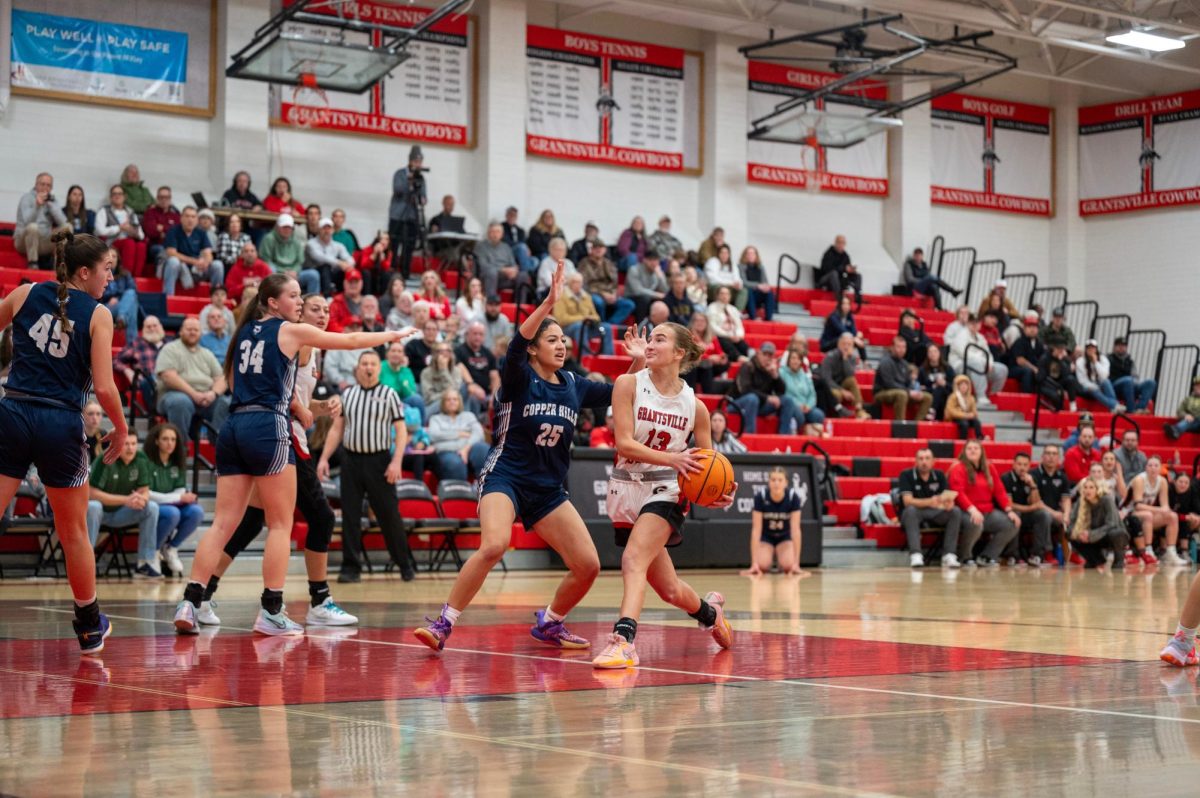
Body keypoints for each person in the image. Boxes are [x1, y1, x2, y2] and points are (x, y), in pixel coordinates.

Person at [414, 262, 645, 653]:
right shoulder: (519, 376)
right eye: (551, 340)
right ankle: (443, 623)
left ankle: (551, 622)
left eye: (562, 340)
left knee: (588, 564)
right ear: (534, 349)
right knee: (494, 544)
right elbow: (517, 343)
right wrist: (549, 302)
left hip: (547, 489)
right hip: (506, 476)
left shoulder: (573, 384)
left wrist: (637, 360)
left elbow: (622, 393)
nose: (561, 345)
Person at [174, 273, 411, 636]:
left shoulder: (242, 332)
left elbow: (235, 383)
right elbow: (349, 340)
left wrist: (301, 406)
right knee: (281, 525)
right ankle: (272, 609)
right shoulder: (290, 332)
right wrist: (391, 336)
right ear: (273, 301)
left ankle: (191, 602)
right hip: (268, 428)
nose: (299, 304)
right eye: (295, 297)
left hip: (234, 425)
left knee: (223, 523)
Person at [0, 232, 126, 652]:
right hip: (60, 421)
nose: (111, 277)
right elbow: (105, 389)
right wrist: (122, 428)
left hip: (14, 412)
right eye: (107, 269)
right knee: (73, 530)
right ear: (84, 272)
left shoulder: (25, 292)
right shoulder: (99, 314)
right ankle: (89, 626)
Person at [592, 321, 735, 668]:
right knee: (669, 589)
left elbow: (707, 463)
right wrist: (673, 456)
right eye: (650, 338)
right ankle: (709, 612)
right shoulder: (627, 384)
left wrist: (722, 490)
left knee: (633, 560)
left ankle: (623, 641)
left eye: (660, 339)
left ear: (679, 353)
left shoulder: (695, 406)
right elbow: (623, 442)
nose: (651, 344)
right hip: (625, 487)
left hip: (665, 488)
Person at [209, 293, 356, 625]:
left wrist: (322, 406)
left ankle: (203, 592)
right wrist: (297, 406)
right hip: (279, 435)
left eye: (327, 310)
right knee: (321, 517)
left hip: (274, 431)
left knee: (250, 521)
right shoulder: (296, 339)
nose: (322, 314)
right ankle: (319, 600)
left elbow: (298, 399)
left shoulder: (310, 347)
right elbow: (273, 389)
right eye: (314, 308)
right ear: (299, 310)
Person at [86, 430, 160, 576]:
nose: (130, 448)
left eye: (133, 444)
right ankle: (86, 560)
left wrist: (142, 499)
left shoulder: (141, 458)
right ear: (116, 444)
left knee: (152, 507)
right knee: (94, 506)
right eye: (126, 444)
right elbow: (92, 494)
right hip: (99, 514)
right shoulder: (105, 459)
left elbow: (144, 490)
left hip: (122, 513)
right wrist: (126, 500)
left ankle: (144, 563)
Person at [155, 316, 231, 445]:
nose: (192, 332)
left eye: (196, 330)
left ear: (201, 333)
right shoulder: (170, 349)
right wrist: (193, 394)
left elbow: (222, 378)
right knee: (181, 402)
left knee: (225, 403)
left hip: (206, 397)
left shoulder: (207, 353)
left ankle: (219, 446)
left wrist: (213, 394)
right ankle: (181, 449)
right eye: (189, 329)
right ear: (181, 331)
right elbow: (168, 376)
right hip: (174, 394)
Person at [144, 423, 204, 577]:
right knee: (172, 513)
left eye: (173, 439)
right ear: (156, 441)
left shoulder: (176, 462)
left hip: (172, 505)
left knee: (196, 511)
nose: (170, 443)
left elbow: (180, 489)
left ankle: (171, 548)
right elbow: (147, 494)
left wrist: (184, 496)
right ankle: (154, 552)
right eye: (165, 439)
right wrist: (178, 497)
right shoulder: (146, 461)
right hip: (150, 506)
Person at [947, 440, 1019, 567]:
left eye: (976, 448)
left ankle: (987, 556)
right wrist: (972, 509)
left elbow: (999, 490)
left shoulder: (989, 467)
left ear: (981, 452)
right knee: (976, 523)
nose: (973, 450)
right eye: (969, 448)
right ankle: (965, 556)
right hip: (965, 511)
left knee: (1012, 524)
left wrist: (1009, 510)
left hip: (988, 511)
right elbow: (958, 493)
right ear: (964, 451)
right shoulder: (958, 468)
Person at [897, 448, 965, 568]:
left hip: (935, 512)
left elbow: (947, 497)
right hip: (914, 513)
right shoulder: (906, 475)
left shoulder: (939, 475)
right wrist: (930, 501)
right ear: (916, 461)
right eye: (921, 459)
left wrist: (949, 503)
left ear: (933, 461)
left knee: (955, 511)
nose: (924, 462)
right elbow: (907, 501)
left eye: (927, 458)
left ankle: (949, 555)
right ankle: (916, 554)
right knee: (910, 510)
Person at [741, 467, 804, 575]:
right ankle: (767, 559)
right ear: (769, 482)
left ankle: (782, 561)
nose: (776, 483)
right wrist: (754, 563)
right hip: (767, 536)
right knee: (762, 566)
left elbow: (796, 530)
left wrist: (796, 563)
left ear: (786, 483)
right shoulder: (761, 496)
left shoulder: (793, 497)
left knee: (788, 565)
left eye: (780, 480)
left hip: (784, 536)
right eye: (773, 480)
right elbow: (756, 530)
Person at [1129, 455, 1186, 565]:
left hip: (1146, 514)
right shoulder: (1139, 480)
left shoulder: (1162, 481)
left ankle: (1170, 552)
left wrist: (1164, 510)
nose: (1153, 468)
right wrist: (1160, 510)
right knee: (1148, 515)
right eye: (1150, 465)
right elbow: (1138, 506)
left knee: (1172, 516)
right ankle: (1148, 551)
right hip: (1128, 513)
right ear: (1145, 468)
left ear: (1160, 468)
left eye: (1156, 465)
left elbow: (1165, 506)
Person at [731, 342, 798, 435]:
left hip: (759, 405)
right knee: (752, 399)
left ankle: (783, 435)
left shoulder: (770, 369)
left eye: (770, 355)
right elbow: (745, 390)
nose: (767, 358)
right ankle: (750, 435)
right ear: (758, 353)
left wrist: (775, 376)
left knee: (788, 400)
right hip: (737, 403)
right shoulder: (748, 366)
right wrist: (767, 398)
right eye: (764, 354)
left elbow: (781, 391)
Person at [1002, 452, 1055, 566]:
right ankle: (1013, 555)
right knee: (1016, 514)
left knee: (1043, 515)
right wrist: (1031, 507)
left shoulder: (1032, 478)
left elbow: (1036, 502)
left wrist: (1032, 485)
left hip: (1026, 514)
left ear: (1029, 466)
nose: (1022, 467)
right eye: (1019, 464)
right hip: (1008, 514)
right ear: (1014, 465)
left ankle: (1037, 555)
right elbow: (1009, 504)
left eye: (1025, 465)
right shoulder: (1006, 478)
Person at [428, 389, 491, 480]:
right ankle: (460, 493)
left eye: (455, 399)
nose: (452, 402)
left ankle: (484, 486)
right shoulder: (435, 419)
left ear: (460, 402)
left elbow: (479, 433)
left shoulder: (468, 416)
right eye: (448, 399)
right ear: (443, 403)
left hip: (468, 449)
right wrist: (459, 434)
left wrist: (466, 448)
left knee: (483, 449)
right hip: (447, 451)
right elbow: (433, 435)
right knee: (455, 463)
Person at [1068, 476, 1129, 569]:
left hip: (1108, 536)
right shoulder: (1080, 501)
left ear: (1097, 489)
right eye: (1085, 487)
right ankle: (1096, 560)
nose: (1088, 490)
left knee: (1118, 533)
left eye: (1091, 487)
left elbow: (1112, 524)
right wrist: (1078, 533)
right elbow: (1072, 522)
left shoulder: (1106, 500)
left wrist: (1091, 534)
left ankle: (1119, 561)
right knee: (1069, 533)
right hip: (1090, 537)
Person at [162, 207, 224, 296]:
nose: (190, 220)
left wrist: (205, 262)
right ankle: (168, 297)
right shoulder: (173, 231)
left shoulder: (201, 233)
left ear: (197, 220)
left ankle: (216, 298)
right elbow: (171, 253)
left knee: (218, 265)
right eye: (187, 216)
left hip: (197, 269)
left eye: (193, 217)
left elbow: (208, 253)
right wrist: (195, 261)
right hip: (180, 268)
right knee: (173, 261)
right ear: (181, 218)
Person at [948, 313, 1007, 404]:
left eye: (977, 323)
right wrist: (983, 360)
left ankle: (992, 396)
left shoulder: (981, 337)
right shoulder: (960, 336)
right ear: (968, 323)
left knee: (1002, 369)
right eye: (972, 323)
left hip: (980, 365)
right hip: (960, 366)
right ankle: (981, 396)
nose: (975, 325)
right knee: (976, 363)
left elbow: (988, 353)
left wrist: (989, 363)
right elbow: (965, 354)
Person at [388, 147, 428, 280]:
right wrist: (409, 182)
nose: (418, 164)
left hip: (412, 216)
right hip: (398, 216)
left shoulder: (421, 178)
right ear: (410, 161)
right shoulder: (400, 174)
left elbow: (423, 197)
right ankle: (392, 270)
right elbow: (397, 190)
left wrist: (422, 198)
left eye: (420, 161)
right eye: (416, 161)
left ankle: (406, 272)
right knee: (394, 244)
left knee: (409, 245)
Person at [874, 336, 933, 422]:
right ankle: (900, 424)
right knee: (902, 394)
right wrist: (908, 392)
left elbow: (908, 383)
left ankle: (916, 424)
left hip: (902, 391)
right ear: (892, 348)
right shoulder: (885, 362)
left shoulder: (905, 364)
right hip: (882, 392)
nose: (901, 350)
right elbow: (889, 384)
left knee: (927, 397)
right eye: (899, 347)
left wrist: (914, 391)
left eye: (904, 347)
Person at [15, 172, 68, 267]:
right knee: (32, 227)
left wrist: (50, 205)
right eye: (42, 184)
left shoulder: (52, 200)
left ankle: (59, 266)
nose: (45, 187)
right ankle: (33, 264)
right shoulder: (26, 198)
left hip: (44, 241)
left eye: (48, 185)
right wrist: (37, 205)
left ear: (51, 188)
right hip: (24, 242)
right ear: (36, 185)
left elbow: (63, 222)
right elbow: (27, 221)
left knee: (67, 227)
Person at [554, 272, 612, 356]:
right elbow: (561, 319)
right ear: (570, 283)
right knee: (579, 326)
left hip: (586, 327)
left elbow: (596, 316)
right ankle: (585, 357)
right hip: (566, 329)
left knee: (606, 327)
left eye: (580, 282)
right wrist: (582, 318)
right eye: (575, 282)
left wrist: (591, 319)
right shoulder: (561, 296)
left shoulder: (587, 296)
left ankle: (607, 357)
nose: (577, 284)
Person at [578, 238, 635, 325]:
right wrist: (602, 294)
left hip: (610, 293)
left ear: (605, 250)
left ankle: (609, 325)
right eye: (596, 248)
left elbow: (614, 283)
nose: (598, 250)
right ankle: (601, 324)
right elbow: (584, 285)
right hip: (593, 293)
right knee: (598, 302)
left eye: (601, 247)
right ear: (591, 250)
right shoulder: (584, 264)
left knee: (629, 304)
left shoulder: (609, 264)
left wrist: (613, 294)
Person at [95, 184, 148, 275]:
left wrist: (130, 230)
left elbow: (141, 235)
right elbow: (99, 230)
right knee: (129, 243)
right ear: (111, 197)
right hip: (111, 243)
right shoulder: (104, 211)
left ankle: (135, 278)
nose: (117, 196)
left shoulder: (130, 212)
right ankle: (126, 276)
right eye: (114, 194)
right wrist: (119, 228)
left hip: (129, 241)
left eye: (120, 193)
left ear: (124, 196)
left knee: (141, 246)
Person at [261, 214, 320, 295]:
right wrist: (283, 272)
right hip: (277, 273)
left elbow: (299, 261)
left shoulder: (297, 241)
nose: (287, 230)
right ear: (278, 227)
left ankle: (311, 300)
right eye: (284, 227)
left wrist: (294, 271)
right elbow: (266, 260)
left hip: (293, 273)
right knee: (271, 270)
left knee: (313, 275)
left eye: (289, 227)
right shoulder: (269, 239)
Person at [116, 314, 166, 410]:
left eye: (155, 326)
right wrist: (127, 370)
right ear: (143, 329)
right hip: (148, 382)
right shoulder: (137, 344)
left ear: (161, 326)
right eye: (148, 326)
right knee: (148, 380)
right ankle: (156, 412)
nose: (152, 329)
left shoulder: (169, 345)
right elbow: (115, 360)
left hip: (167, 380)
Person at [780, 348, 826, 437]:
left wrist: (808, 405)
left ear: (801, 361)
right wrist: (798, 405)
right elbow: (782, 393)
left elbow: (812, 394)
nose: (795, 361)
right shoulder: (782, 373)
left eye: (798, 359)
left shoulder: (805, 376)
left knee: (819, 415)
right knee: (799, 415)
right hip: (791, 405)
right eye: (793, 358)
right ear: (788, 360)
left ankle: (808, 432)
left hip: (806, 407)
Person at [823, 332, 870, 419]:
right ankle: (838, 414)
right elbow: (826, 380)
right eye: (844, 344)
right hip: (830, 387)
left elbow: (850, 375)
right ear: (838, 344)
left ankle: (859, 410)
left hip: (843, 384)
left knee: (851, 380)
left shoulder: (852, 357)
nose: (846, 347)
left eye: (849, 344)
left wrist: (845, 359)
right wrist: (842, 391)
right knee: (837, 394)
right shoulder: (830, 356)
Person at [476, 221, 525, 300]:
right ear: (488, 233)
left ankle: (520, 306)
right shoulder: (480, 246)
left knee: (523, 275)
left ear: (502, 234)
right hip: (487, 278)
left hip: (505, 278)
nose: (495, 234)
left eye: (498, 232)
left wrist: (513, 271)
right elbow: (483, 265)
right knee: (491, 272)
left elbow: (513, 264)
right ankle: (491, 303)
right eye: (493, 232)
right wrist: (502, 270)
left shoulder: (506, 247)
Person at [306, 217, 355, 296]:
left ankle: (344, 297)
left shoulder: (338, 245)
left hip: (332, 274)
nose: (327, 231)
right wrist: (339, 263)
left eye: (329, 228)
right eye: (324, 228)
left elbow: (350, 259)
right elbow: (320, 258)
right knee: (326, 267)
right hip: (316, 273)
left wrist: (348, 265)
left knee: (345, 270)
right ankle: (327, 297)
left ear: (333, 230)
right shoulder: (311, 243)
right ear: (319, 230)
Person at [1108, 337, 1156, 414]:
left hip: (1129, 385)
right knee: (1128, 380)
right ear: (1114, 347)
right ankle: (1131, 410)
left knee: (1150, 382)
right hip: (1115, 386)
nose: (1121, 348)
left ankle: (1140, 408)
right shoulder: (1108, 359)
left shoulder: (1130, 361)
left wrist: (1135, 383)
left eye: (1124, 346)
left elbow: (1135, 377)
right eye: (1119, 345)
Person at [99, 248, 140, 334]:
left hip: (122, 305)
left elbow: (133, 290)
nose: (111, 259)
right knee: (132, 306)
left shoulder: (125, 274)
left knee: (131, 294)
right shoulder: (99, 274)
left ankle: (122, 317)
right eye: (109, 256)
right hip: (105, 307)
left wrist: (117, 299)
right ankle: (132, 345)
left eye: (114, 256)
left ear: (118, 259)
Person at [1074, 339, 1121, 412]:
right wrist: (1094, 387)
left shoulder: (1103, 359)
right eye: (1089, 348)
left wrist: (1096, 362)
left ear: (1096, 349)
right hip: (1086, 387)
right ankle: (1115, 405)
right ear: (1086, 350)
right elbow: (1082, 381)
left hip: (1099, 383)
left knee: (1106, 382)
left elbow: (1104, 376)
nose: (1091, 350)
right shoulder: (1080, 361)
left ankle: (1113, 408)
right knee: (1093, 389)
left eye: (1093, 348)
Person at [707, 285, 749, 361]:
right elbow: (713, 327)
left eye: (727, 294)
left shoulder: (733, 309)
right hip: (720, 336)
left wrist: (739, 335)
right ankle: (738, 357)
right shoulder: (712, 308)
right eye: (722, 293)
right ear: (717, 295)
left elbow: (739, 325)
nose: (724, 296)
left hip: (734, 336)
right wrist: (729, 335)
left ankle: (751, 357)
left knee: (743, 344)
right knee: (724, 342)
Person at [1007, 313, 1046, 394]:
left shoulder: (1039, 344)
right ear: (1024, 328)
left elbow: (1044, 357)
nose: (1032, 329)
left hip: (1031, 369)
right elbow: (1020, 360)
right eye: (1029, 327)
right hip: (1014, 368)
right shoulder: (1019, 342)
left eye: (1035, 327)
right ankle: (1026, 396)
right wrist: (1034, 368)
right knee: (1027, 371)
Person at [143, 186, 181, 266]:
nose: (164, 199)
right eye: (161, 197)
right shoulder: (150, 213)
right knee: (162, 250)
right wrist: (169, 230)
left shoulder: (176, 216)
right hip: (155, 246)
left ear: (170, 198)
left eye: (167, 197)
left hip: (173, 247)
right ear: (157, 198)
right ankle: (160, 274)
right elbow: (150, 232)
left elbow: (178, 234)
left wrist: (162, 228)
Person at [626, 252, 669, 319]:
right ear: (645, 260)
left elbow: (665, 290)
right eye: (651, 260)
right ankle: (641, 325)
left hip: (649, 297)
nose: (654, 263)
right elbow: (637, 291)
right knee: (644, 299)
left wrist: (661, 277)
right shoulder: (634, 270)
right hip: (633, 297)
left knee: (666, 300)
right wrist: (656, 294)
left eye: (656, 260)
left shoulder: (657, 272)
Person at [918, 343, 955, 421]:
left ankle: (932, 411)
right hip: (930, 393)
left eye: (935, 351)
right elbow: (920, 387)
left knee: (940, 389)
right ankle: (933, 412)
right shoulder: (922, 369)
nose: (933, 354)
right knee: (937, 389)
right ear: (927, 354)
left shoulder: (947, 368)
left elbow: (955, 386)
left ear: (939, 353)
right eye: (930, 352)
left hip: (946, 394)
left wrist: (945, 384)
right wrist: (932, 387)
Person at [705, 244, 747, 309]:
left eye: (726, 253)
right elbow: (713, 279)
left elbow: (737, 278)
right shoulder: (712, 262)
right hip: (715, 287)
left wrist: (738, 284)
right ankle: (719, 310)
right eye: (722, 252)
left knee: (743, 290)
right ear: (718, 253)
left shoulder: (732, 265)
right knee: (720, 289)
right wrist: (730, 284)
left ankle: (737, 312)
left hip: (730, 287)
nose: (724, 255)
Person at [327, 269, 367, 333]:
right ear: (344, 283)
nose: (353, 285)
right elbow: (331, 323)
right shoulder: (336, 302)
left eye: (356, 282)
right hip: (343, 339)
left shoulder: (368, 302)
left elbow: (378, 321)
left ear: (361, 283)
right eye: (350, 282)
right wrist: (344, 331)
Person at [501, 206, 536, 270]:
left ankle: (522, 268)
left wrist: (527, 248)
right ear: (506, 216)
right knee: (521, 247)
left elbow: (524, 242)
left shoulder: (520, 230)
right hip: (508, 250)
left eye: (514, 216)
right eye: (510, 215)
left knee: (535, 260)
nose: (512, 217)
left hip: (521, 252)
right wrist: (522, 246)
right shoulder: (501, 227)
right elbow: (506, 241)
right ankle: (524, 270)